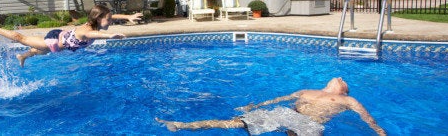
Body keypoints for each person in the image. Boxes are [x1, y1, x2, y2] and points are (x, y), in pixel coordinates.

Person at [156, 77, 386, 136]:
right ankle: (181, 125)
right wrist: (254, 106)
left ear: (343, 90)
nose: (339, 77)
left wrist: (381, 133)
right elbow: (278, 100)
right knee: (234, 123)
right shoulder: (306, 90)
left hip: (308, 124)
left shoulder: (348, 100)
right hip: (284, 114)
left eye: (342, 80)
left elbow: (368, 119)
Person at [0, 5, 142, 67]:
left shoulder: (95, 23)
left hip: (60, 39)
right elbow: (91, 34)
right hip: (54, 40)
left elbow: (112, 17)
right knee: (22, 39)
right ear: (99, 19)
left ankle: (23, 56)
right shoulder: (86, 30)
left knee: (41, 51)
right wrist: (109, 35)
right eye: (108, 19)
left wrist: (127, 17)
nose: (110, 21)